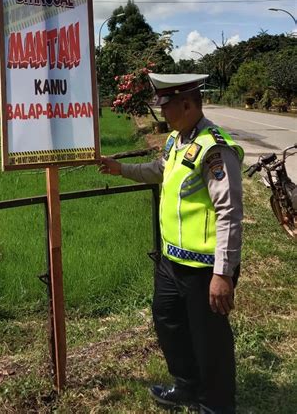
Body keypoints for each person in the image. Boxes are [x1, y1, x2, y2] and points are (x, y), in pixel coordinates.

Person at [100, 73, 244, 414]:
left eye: (166, 106)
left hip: (205, 267)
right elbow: (159, 171)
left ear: (187, 104)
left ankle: (216, 404)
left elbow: (229, 212)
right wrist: (121, 169)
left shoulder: (214, 148)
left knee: (209, 339)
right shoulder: (177, 141)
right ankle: (186, 385)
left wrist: (223, 274)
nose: (162, 112)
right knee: (169, 322)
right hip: (171, 261)